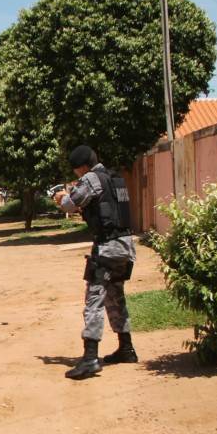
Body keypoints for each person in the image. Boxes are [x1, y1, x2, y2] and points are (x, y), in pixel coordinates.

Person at [54, 145, 138, 380]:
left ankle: (90, 358)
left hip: (107, 248)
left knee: (94, 300)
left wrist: (62, 198)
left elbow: (71, 204)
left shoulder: (91, 178)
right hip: (125, 246)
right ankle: (126, 348)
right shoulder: (115, 178)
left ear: (81, 167)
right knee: (116, 296)